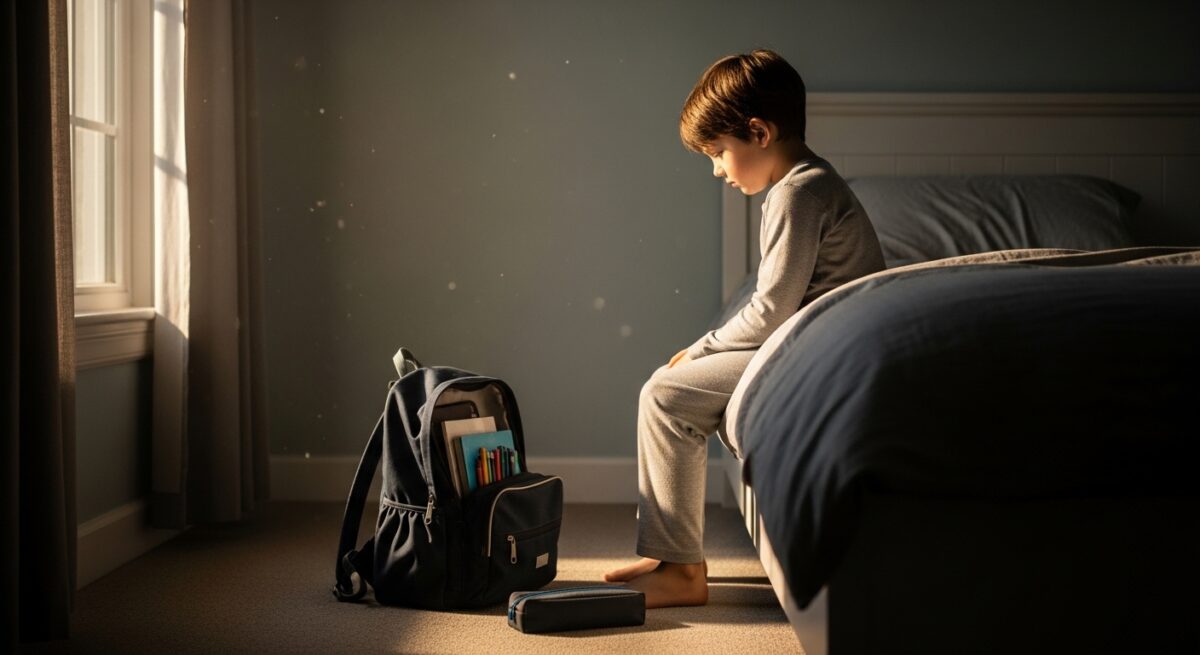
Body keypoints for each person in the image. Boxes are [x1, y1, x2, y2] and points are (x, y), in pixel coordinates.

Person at [602, 49, 886, 608]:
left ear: (758, 131)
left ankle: (682, 571)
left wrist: (700, 347)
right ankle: (668, 553)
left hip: (816, 348)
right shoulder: (805, 184)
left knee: (665, 393)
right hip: (810, 340)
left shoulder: (799, 192)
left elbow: (770, 310)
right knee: (666, 390)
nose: (717, 171)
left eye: (718, 153)